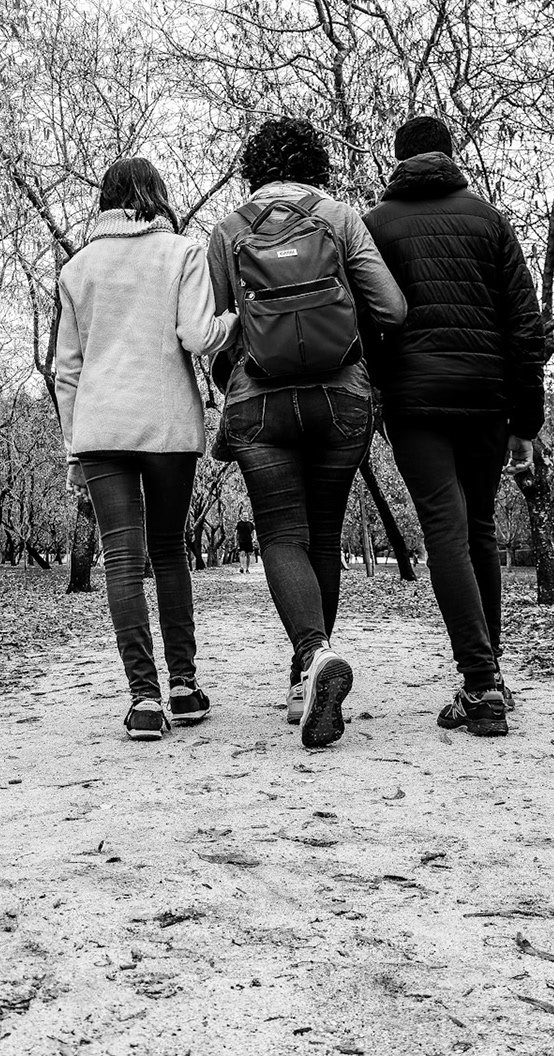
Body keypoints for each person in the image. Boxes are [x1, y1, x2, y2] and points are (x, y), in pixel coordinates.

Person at [208, 118, 407, 749]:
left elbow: (217, 327)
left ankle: (312, 656)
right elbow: (393, 310)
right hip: (340, 398)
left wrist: (230, 381)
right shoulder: (342, 219)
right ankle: (308, 673)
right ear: (316, 163)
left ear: (253, 168)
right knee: (323, 530)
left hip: (259, 403)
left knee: (281, 535)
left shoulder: (229, 231)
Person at [363, 115, 548, 739]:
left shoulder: (375, 226)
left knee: (444, 527)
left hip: (415, 401)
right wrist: (526, 420)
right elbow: (526, 327)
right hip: (485, 398)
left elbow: (366, 323)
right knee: (478, 529)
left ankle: (480, 683)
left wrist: (382, 393)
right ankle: (489, 673)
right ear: (449, 155)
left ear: (398, 158)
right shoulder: (489, 220)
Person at [56, 156, 237, 741]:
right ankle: (184, 688)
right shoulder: (181, 253)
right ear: (156, 194)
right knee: (168, 551)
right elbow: (197, 336)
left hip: (101, 431)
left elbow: (66, 371)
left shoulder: (77, 268)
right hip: (166, 428)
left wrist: (72, 452)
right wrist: (234, 321)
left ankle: (143, 700)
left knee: (123, 562)